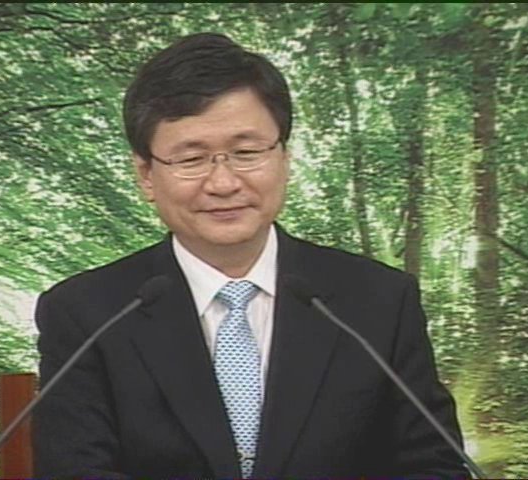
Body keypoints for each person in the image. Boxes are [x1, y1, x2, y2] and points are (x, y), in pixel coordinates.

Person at [33, 33, 468, 478]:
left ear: (284, 159)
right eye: (192, 159)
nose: (223, 183)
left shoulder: (378, 300)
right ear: (146, 174)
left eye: (246, 153)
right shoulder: (86, 313)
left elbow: (434, 467)